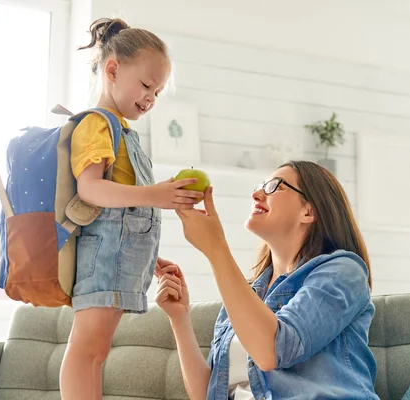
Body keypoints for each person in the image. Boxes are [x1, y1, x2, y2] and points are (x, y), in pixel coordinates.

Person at [59, 17, 204, 400]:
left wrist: (149, 256)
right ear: (112, 70)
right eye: (145, 85)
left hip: (118, 260)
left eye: (156, 92)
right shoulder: (96, 124)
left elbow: (122, 214)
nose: (150, 98)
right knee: (87, 349)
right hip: (102, 262)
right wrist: (155, 195)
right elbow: (91, 189)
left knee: (97, 350)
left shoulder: (122, 131)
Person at [156, 160, 380, 400]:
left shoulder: (344, 271)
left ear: (309, 211)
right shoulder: (247, 294)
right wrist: (179, 318)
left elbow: (272, 351)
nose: (256, 194)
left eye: (274, 186)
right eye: (260, 185)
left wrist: (216, 248)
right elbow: (208, 394)